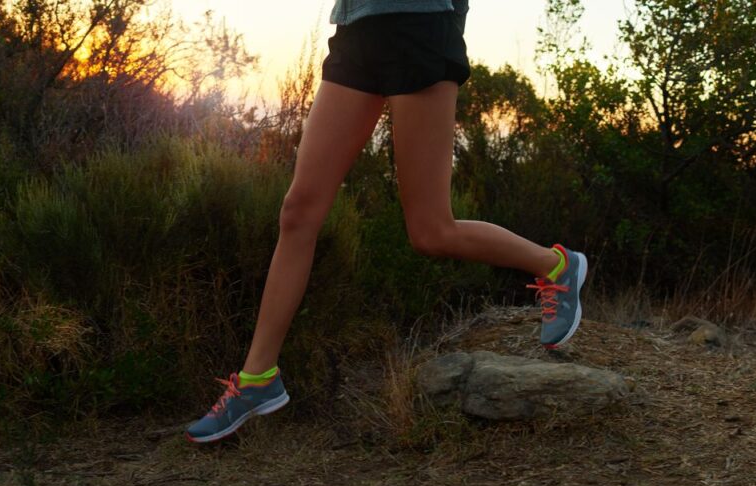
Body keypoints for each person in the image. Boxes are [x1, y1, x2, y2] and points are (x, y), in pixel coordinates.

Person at [185, 0, 587, 443]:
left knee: (431, 231)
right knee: (298, 210)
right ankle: (258, 378)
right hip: (356, 28)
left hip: (420, 25)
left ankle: (555, 265)